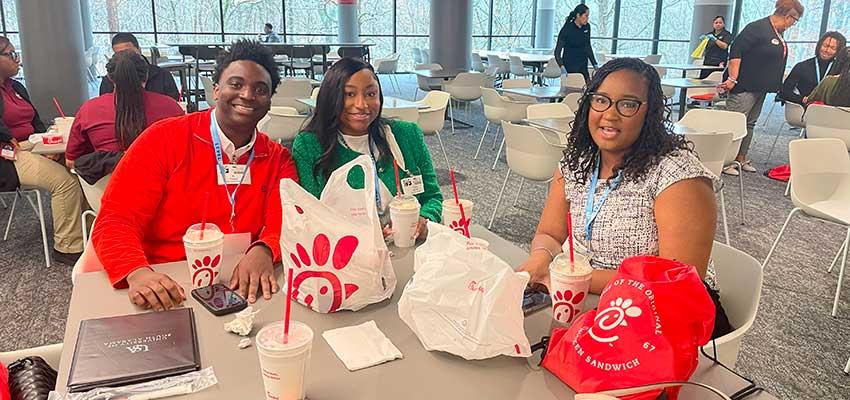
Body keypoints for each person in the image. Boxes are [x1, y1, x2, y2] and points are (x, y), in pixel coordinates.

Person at [518, 57, 732, 339]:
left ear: (650, 113)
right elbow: (549, 233)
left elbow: (674, 282)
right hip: (582, 302)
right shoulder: (577, 164)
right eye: (601, 100)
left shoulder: (678, 175)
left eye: (628, 104)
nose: (610, 114)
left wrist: (576, 278)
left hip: (662, 319)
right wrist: (540, 258)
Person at [91, 40, 298, 311]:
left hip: (243, 283)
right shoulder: (163, 139)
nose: (248, 95)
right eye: (236, 84)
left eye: (260, 89)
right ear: (215, 90)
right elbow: (117, 219)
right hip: (167, 282)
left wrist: (265, 248)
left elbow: (285, 218)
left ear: (269, 101)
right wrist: (137, 272)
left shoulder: (276, 158)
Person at [291, 58, 442, 239]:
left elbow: (432, 197)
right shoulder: (310, 146)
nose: (362, 105)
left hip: (407, 248)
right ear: (331, 98)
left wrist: (424, 219)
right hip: (347, 255)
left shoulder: (406, 136)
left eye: (371, 94)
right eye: (349, 94)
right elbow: (311, 216)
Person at [0, 36, 85, 265]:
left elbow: (35, 121)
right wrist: (9, 138)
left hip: (30, 144)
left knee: (79, 167)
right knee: (64, 182)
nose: (18, 59)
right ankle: (68, 247)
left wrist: (46, 143)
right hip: (7, 155)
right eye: (11, 54)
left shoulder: (16, 87)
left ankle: (88, 232)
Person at [719, 0, 803, 176]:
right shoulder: (757, 28)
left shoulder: (777, 33)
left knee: (749, 123)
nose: (793, 25)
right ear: (789, 16)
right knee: (734, 122)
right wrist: (733, 77)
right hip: (745, 86)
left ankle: (741, 157)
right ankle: (725, 160)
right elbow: (736, 50)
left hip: (761, 88)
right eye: (795, 21)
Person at [65, 50, 184, 170]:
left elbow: (71, 161)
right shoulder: (170, 107)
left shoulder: (89, 110)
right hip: (163, 184)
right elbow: (185, 153)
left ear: (110, 77)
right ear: (146, 75)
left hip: (108, 186)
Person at [99, 33, 180, 101]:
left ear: (139, 50)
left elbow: (174, 103)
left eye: (129, 52)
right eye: (119, 54)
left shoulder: (163, 75)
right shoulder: (108, 81)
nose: (125, 57)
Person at [780, 31, 846, 105]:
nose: (827, 50)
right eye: (825, 46)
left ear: (839, 51)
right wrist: (802, 99)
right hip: (804, 107)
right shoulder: (802, 66)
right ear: (819, 45)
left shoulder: (841, 70)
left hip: (830, 109)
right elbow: (784, 92)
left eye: (833, 48)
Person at [554, 4, 598, 84]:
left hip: (583, 65)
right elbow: (557, 52)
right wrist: (562, 66)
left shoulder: (587, 27)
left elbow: (587, 46)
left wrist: (594, 64)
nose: (587, 19)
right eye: (586, 16)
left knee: (587, 89)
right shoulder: (566, 29)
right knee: (571, 91)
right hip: (570, 66)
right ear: (578, 15)